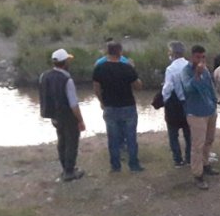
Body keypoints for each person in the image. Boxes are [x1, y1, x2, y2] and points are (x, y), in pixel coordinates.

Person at [92, 41, 143, 173]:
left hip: (110, 106)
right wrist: (133, 68)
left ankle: (115, 166)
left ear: (107, 52)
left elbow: (96, 88)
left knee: (113, 138)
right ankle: (134, 165)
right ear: (120, 51)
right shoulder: (126, 67)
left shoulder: (100, 68)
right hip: (128, 105)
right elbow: (138, 87)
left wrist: (102, 102)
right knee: (131, 137)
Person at [39, 49, 86, 181]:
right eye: (68, 60)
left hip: (53, 116)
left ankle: (65, 168)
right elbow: (74, 104)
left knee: (62, 141)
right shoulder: (67, 79)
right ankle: (69, 172)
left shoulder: (44, 76)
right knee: (71, 142)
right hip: (67, 116)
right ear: (64, 62)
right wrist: (80, 120)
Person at [181, 45, 219, 189]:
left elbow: (210, 87)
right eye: (198, 57)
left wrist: (214, 102)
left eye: (203, 57)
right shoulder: (186, 72)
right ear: (192, 57)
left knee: (209, 140)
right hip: (195, 113)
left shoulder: (207, 71)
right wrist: (197, 74)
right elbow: (188, 89)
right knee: (197, 145)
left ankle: (205, 164)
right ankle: (198, 175)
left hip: (209, 110)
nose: (201, 60)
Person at [161, 41, 191, 167]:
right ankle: (189, 158)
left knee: (173, 134)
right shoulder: (189, 65)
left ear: (173, 53)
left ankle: (178, 159)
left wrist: (165, 99)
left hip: (174, 105)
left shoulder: (171, 69)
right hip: (189, 103)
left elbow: (168, 88)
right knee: (188, 133)